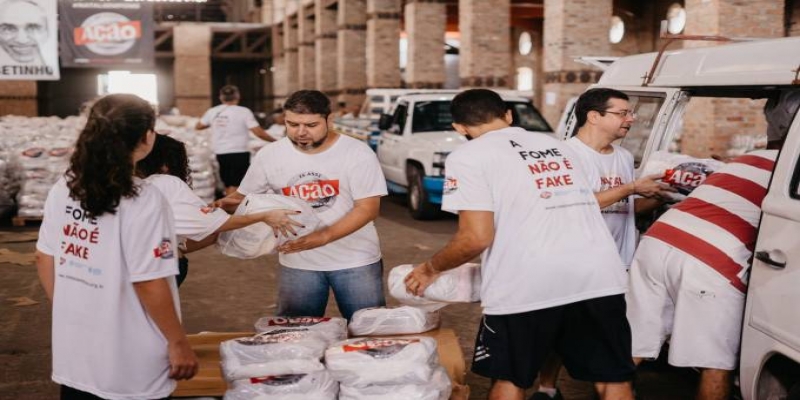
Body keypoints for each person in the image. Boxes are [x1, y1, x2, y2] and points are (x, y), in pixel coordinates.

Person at [404, 89, 635, 400]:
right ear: (509, 115)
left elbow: (476, 237)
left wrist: (430, 268)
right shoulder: (558, 147)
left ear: (459, 128)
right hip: (599, 275)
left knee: (511, 378)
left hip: (528, 284)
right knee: (612, 377)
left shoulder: (468, 156)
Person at [626, 90, 800, 400]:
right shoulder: (791, 172)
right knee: (715, 361)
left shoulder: (745, 159)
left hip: (656, 244)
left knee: (636, 343)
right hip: (710, 261)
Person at [35, 94, 198, 399]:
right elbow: (149, 280)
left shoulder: (66, 186)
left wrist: (73, 310)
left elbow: (44, 257)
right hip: (130, 364)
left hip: (76, 353)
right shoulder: (145, 200)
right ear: (147, 137)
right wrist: (177, 342)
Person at [531, 88, 673, 400]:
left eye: (630, 113)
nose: (631, 119)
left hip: (617, 260)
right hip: (575, 261)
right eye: (622, 113)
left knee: (610, 335)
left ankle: (609, 387)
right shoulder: (565, 155)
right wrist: (632, 187)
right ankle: (546, 388)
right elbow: (573, 204)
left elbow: (626, 208)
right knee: (560, 330)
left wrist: (656, 196)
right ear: (594, 116)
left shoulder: (622, 157)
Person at [218, 89, 388, 321]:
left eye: (310, 125)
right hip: (297, 263)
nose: (301, 133)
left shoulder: (356, 153)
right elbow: (244, 198)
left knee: (368, 330)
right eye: (293, 124)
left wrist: (322, 237)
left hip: (355, 260)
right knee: (296, 335)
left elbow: (368, 208)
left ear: (329, 119)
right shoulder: (270, 155)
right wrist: (217, 207)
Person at [136, 134, 303, 286]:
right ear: (165, 165)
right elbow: (214, 225)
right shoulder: (166, 182)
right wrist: (263, 216)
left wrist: (220, 220)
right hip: (159, 268)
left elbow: (187, 233)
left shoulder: (132, 186)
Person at [195, 85, 276, 195]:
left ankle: (229, 207)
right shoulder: (244, 111)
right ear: (237, 96)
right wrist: (276, 141)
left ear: (221, 97)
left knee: (228, 183)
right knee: (239, 185)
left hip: (221, 152)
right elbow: (258, 132)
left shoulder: (213, 111)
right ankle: (234, 209)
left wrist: (216, 123)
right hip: (239, 152)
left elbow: (198, 126)